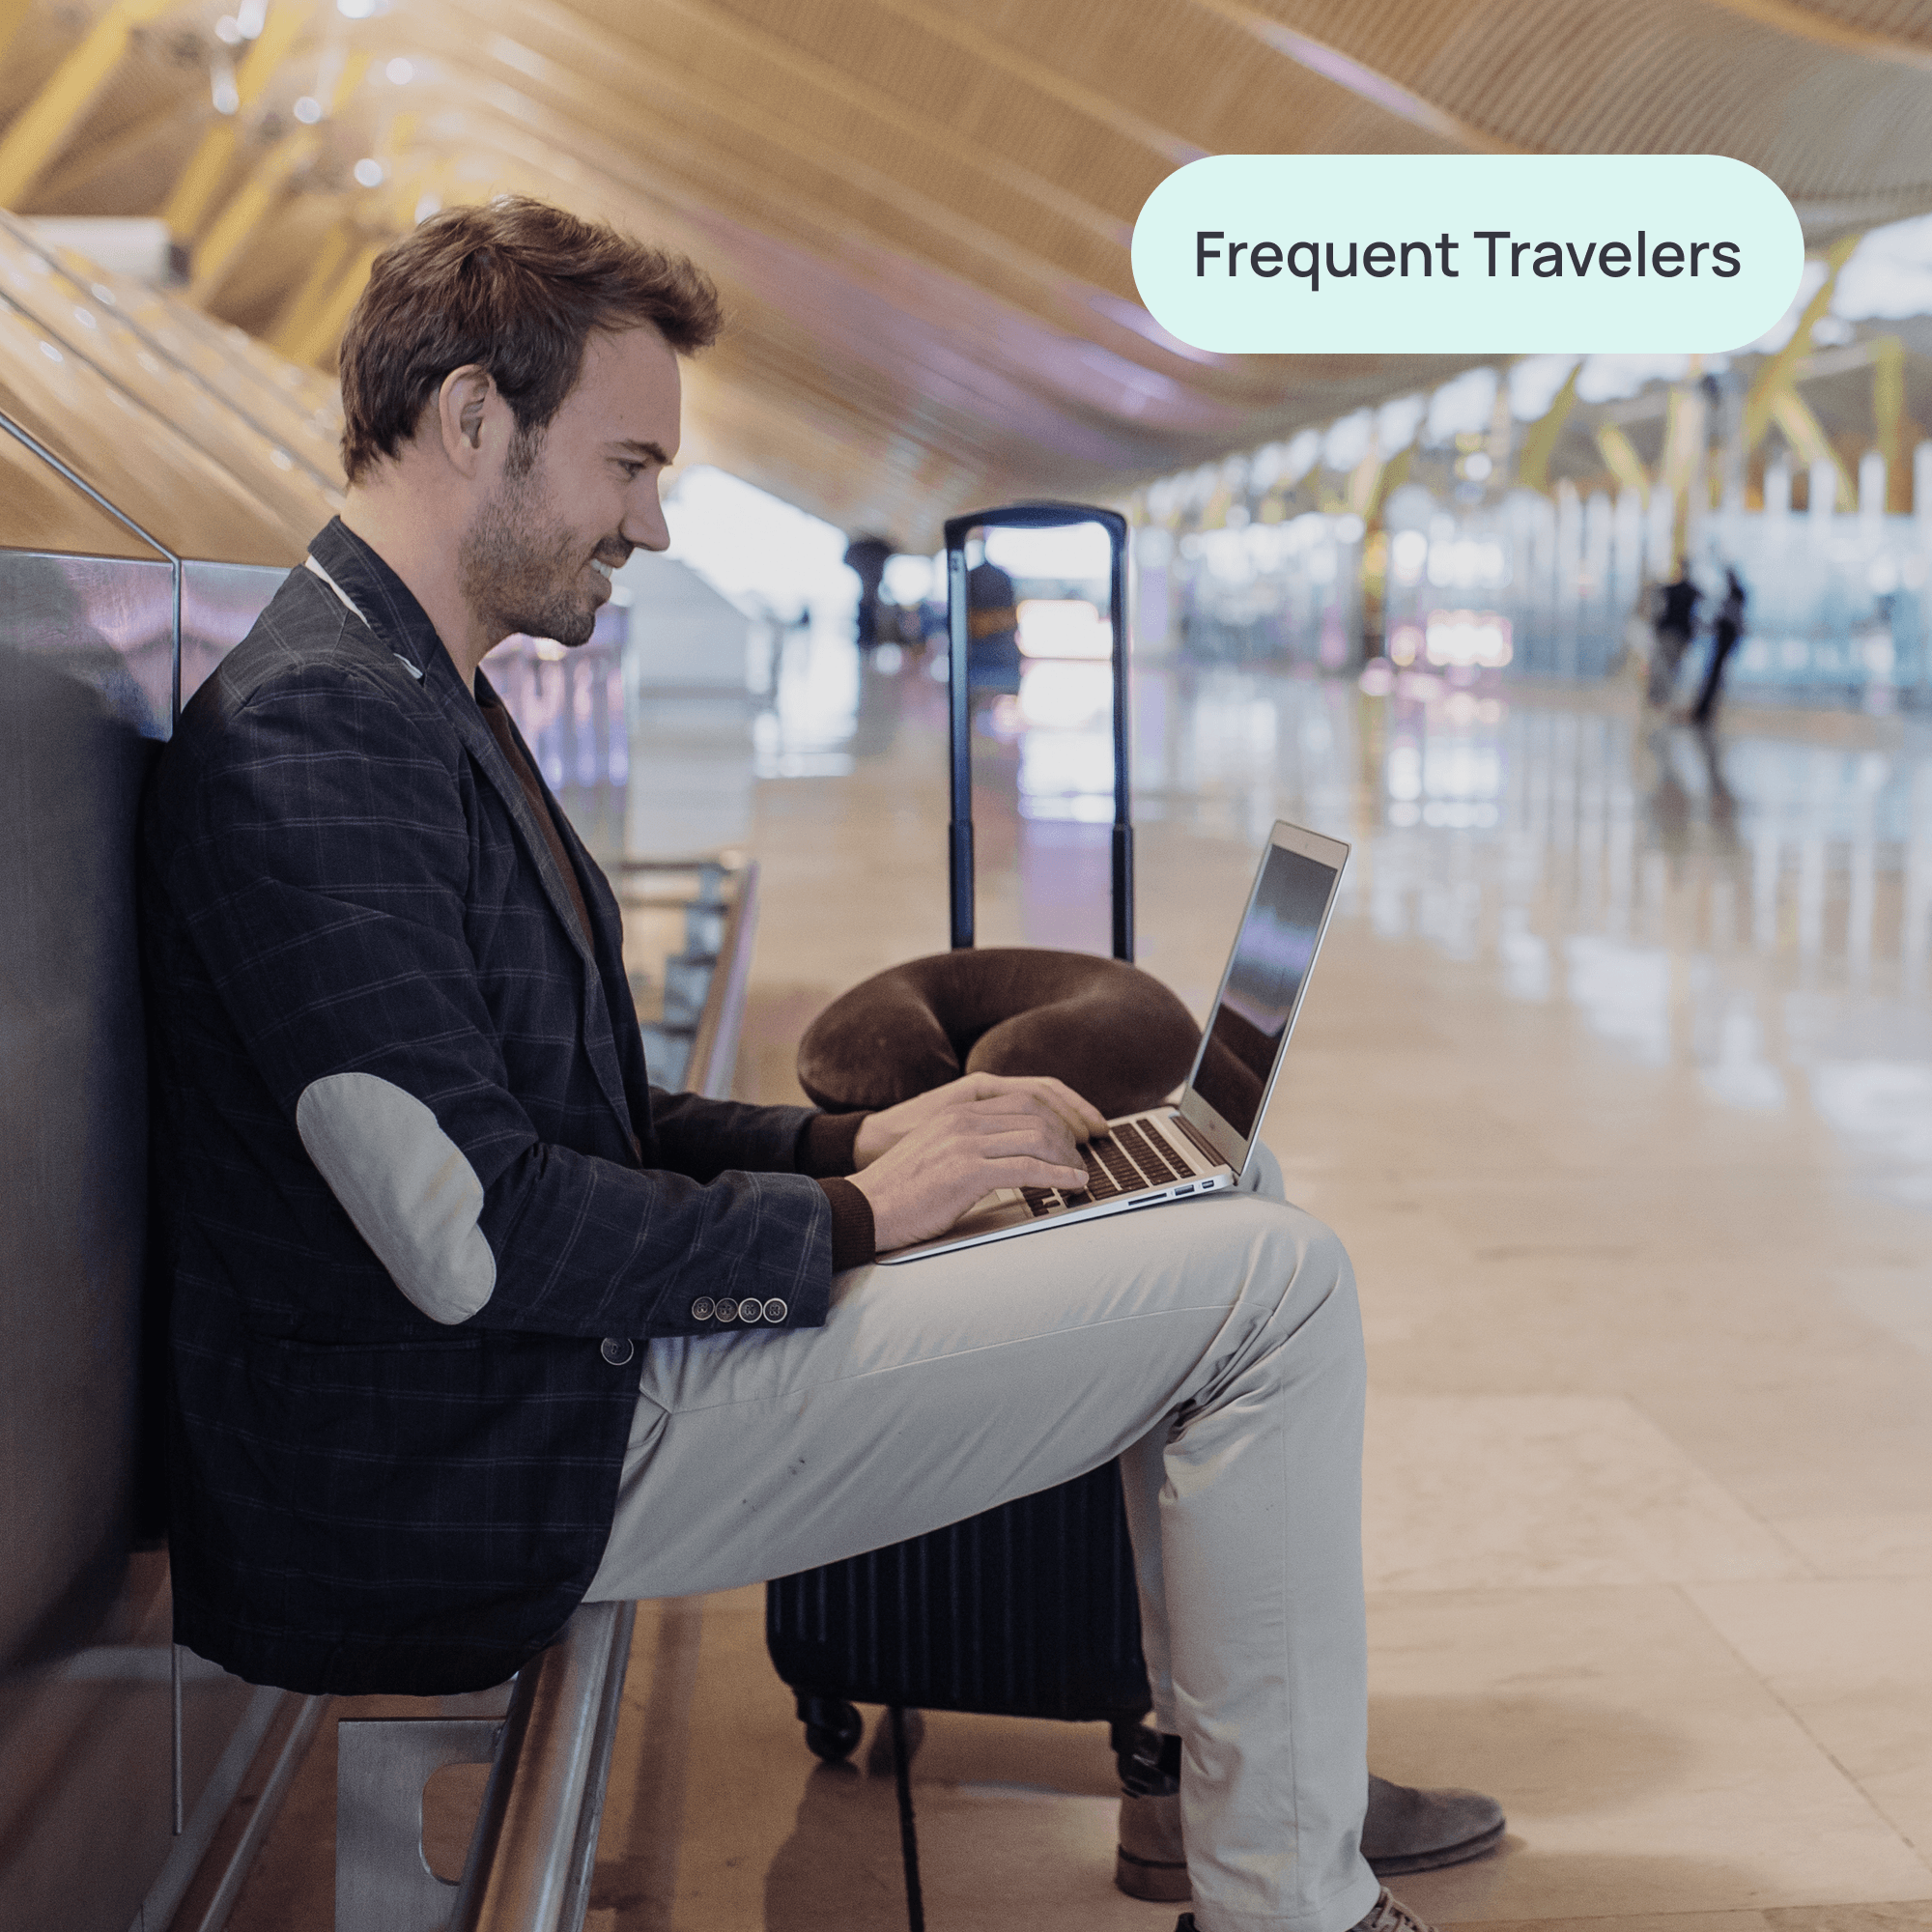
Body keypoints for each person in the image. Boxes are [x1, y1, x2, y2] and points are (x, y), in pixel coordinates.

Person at [140, 198, 1495, 1932]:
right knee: (1275, 1286)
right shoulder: (317, 737)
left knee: (1226, 1197)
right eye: (630, 465)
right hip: (474, 1463)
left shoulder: (416, 692)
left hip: (539, 1388)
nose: (651, 521)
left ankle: (1226, 1794)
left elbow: (582, 1120)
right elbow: (468, 1238)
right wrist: (861, 1217)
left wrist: (868, 1140)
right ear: (473, 417)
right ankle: (1287, 1899)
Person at [1690, 567, 1747, 727]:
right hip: (1725, 637)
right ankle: (1703, 710)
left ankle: (1704, 711)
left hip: (1726, 638)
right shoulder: (1733, 598)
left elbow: (1729, 618)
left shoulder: (1735, 597)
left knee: (1715, 675)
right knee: (1714, 674)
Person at [1648, 562, 1702, 708]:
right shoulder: (1692, 591)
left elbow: (1657, 592)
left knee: (1663, 666)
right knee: (1671, 667)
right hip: (1681, 634)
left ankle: (1661, 698)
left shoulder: (1673, 589)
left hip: (1670, 632)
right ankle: (1662, 698)